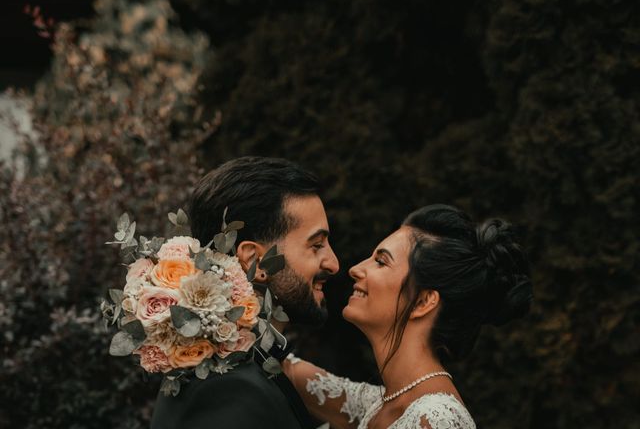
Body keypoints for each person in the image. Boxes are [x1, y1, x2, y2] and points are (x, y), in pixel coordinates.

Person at [284, 204, 533, 429]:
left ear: (423, 302)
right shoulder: (380, 406)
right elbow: (287, 370)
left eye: (381, 262)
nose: (355, 269)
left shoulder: (437, 421)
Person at [151, 156, 339, 429]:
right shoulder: (226, 391)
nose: (334, 263)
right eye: (316, 244)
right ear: (255, 261)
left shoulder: (246, 367)